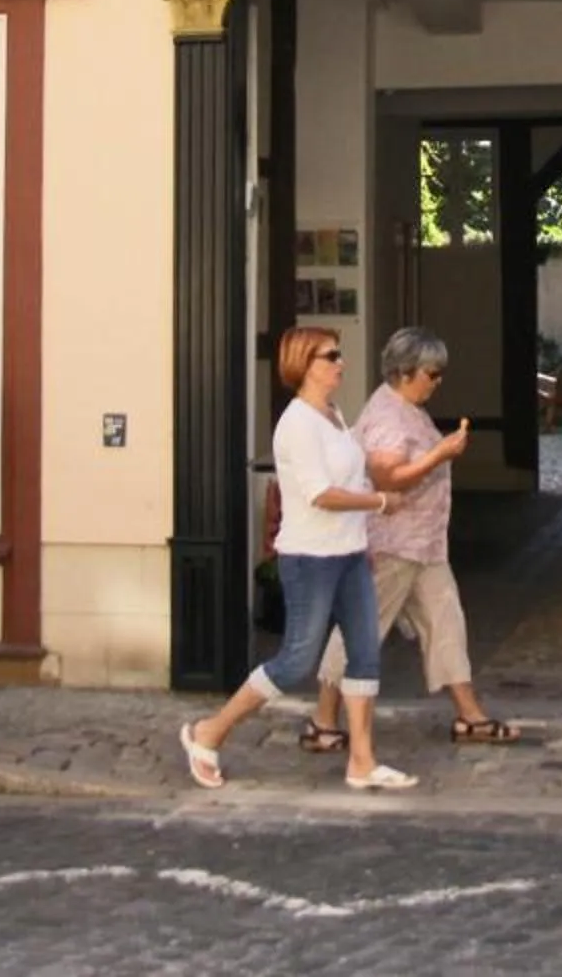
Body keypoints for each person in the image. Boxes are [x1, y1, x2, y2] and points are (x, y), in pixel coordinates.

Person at [178, 325, 417, 792]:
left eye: (339, 354)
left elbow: (354, 478)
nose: (340, 363)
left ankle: (362, 762)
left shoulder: (333, 414)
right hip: (310, 559)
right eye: (331, 356)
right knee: (295, 661)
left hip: (348, 555)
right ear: (305, 364)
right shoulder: (296, 424)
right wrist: (382, 504)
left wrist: (364, 540)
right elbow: (320, 495)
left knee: (365, 655)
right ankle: (209, 733)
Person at [307, 327, 519, 748]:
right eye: (432, 373)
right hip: (393, 545)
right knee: (360, 630)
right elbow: (388, 476)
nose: (438, 381)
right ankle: (323, 720)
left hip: (423, 545)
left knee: (445, 622)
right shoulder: (389, 415)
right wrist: (440, 454)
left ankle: (469, 716)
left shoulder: (406, 406)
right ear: (406, 371)